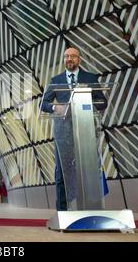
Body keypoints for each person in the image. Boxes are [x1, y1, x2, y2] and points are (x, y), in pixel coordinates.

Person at [41, 47, 107, 211]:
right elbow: (43, 104)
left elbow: (102, 102)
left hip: (86, 131)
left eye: (72, 56)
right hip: (63, 133)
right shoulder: (56, 79)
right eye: (66, 56)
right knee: (62, 171)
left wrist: (87, 105)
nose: (69, 59)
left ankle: (90, 208)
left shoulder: (90, 77)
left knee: (87, 170)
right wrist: (56, 107)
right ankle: (63, 211)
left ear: (79, 59)